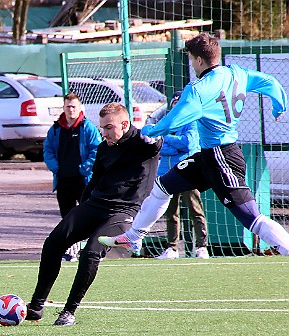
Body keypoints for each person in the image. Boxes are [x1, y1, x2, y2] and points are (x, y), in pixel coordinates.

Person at [98, 32, 289, 258]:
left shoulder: (198, 89)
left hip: (222, 158)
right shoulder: (237, 73)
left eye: (190, 59)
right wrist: (279, 105)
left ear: (199, 60)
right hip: (209, 156)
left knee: (252, 218)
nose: (191, 65)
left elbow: (173, 121)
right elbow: (269, 82)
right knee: (162, 187)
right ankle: (133, 238)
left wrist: (148, 131)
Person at [26, 102, 162, 326]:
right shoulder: (104, 147)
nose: (105, 133)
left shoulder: (143, 143)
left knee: (90, 253)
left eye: (109, 127)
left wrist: (154, 136)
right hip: (95, 205)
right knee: (53, 243)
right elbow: (95, 181)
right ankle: (36, 306)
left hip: (124, 212)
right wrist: (80, 209)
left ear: (125, 124)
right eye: (102, 128)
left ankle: (69, 311)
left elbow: (156, 143)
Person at [44, 92, 102, 261]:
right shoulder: (55, 129)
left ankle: (95, 250)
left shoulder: (87, 127)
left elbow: (96, 150)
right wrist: (56, 168)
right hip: (63, 181)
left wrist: (84, 169)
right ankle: (70, 252)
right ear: (63, 108)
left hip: (83, 181)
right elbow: (47, 151)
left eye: (73, 107)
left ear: (79, 108)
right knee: (67, 219)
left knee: (89, 216)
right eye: (68, 106)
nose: (71, 110)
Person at [156, 91, 208, 260]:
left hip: (188, 173)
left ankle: (202, 247)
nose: (176, 106)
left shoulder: (192, 122)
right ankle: (172, 248)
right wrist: (173, 144)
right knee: (171, 212)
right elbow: (159, 146)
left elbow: (188, 143)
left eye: (180, 102)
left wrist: (169, 139)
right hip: (168, 174)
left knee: (195, 210)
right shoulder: (166, 123)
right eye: (174, 103)